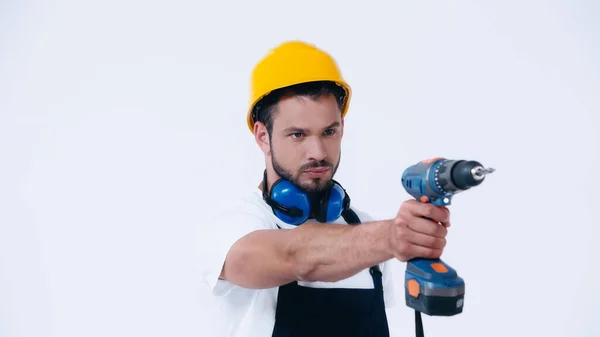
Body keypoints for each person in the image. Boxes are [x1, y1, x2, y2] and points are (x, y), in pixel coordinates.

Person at [201, 40, 451, 337]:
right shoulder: (233, 224)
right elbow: (294, 257)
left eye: (329, 132)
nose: (317, 152)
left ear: (342, 128)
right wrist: (393, 237)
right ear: (262, 137)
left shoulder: (364, 227)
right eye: (297, 135)